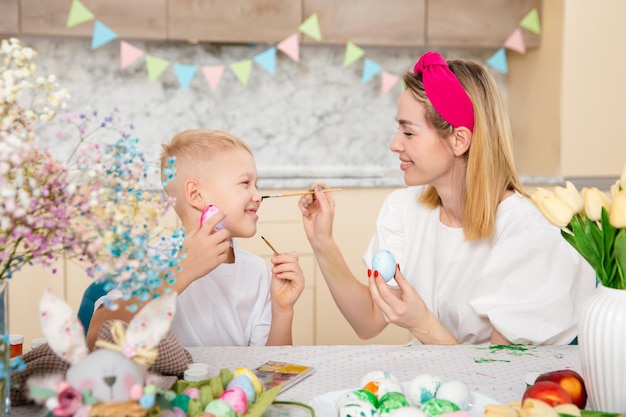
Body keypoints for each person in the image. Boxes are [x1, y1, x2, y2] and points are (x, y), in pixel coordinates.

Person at [298, 51, 596, 345]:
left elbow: (496, 375)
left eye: (408, 132)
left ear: (459, 140)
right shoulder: (404, 210)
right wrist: (322, 242)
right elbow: (368, 321)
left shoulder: (526, 233)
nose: (394, 144)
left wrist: (422, 323)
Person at [87, 129, 305, 349]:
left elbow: (273, 367)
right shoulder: (153, 261)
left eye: (256, 185)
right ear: (196, 195)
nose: (257, 196)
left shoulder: (257, 271)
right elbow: (95, 338)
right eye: (245, 183)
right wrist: (181, 271)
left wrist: (282, 309)